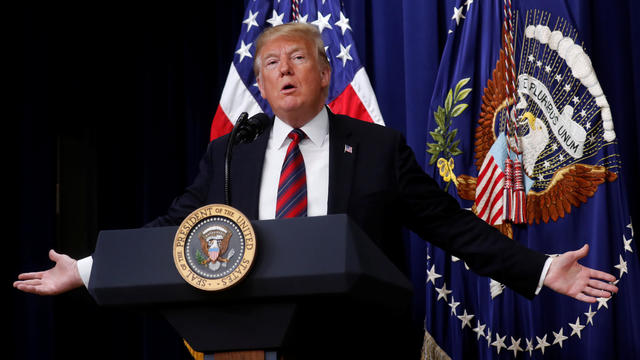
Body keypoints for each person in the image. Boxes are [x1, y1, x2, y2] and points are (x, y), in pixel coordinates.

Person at [15, 23, 618, 358]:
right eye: (270, 63)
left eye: (296, 58)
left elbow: (449, 224)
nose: (282, 69)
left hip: (362, 347)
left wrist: (539, 269)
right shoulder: (232, 154)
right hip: (259, 344)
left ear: (324, 73)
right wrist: (90, 269)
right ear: (259, 84)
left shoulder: (377, 148)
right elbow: (177, 230)